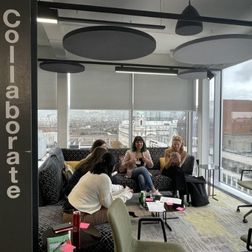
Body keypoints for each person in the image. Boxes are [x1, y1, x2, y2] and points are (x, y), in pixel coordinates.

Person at [63, 152, 133, 225]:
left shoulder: (91, 172)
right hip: (75, 217)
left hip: (68, 211)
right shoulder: (104, 178)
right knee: (115, 209)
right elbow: (108, 204)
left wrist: (122, 188)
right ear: (112, 166)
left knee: (108, 198)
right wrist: (126, 195)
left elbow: (109, 187)